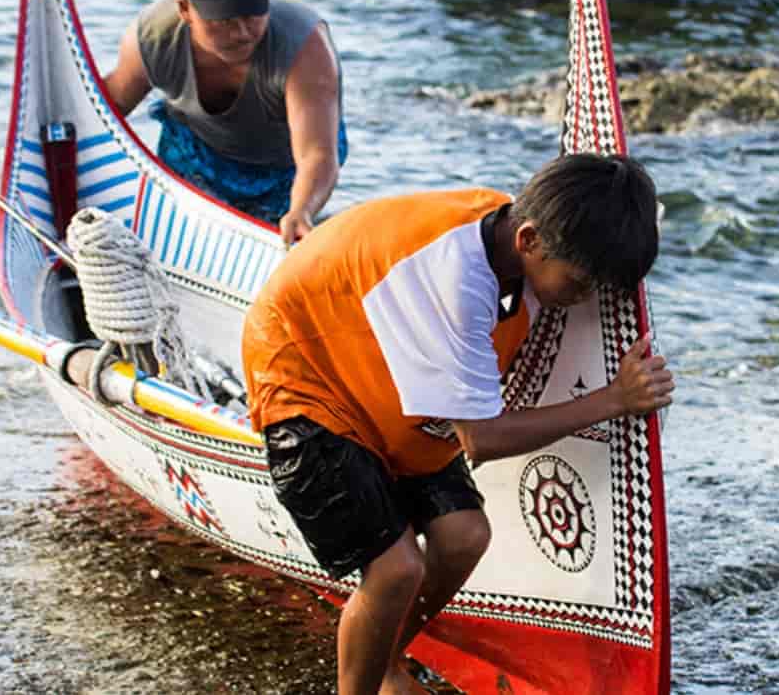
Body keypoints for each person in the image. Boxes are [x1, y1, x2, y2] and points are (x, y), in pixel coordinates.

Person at [241, 153, 675, 695]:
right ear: (529, 241)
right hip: (304, 373)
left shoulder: (517, 227)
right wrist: (612, 400)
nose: (584, 299)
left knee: (465, 536)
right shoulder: (456, 278)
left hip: (380, 371)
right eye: (580, 284)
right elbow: (480, 440)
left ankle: (387, 664)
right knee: (396, 571)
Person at [103, 0, 344, 245]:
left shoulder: (304, 48)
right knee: (184, 240)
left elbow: (317, 153)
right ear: (185, 10)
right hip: (195, 150)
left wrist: (302, 210)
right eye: (223, 21)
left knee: (274, 235)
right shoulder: (154, 38)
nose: (242, 33)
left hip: (284, 164)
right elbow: (109, 109)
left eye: (252, 16)